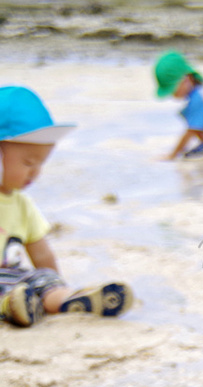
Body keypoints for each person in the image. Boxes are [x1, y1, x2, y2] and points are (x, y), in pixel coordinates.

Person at [0, 86, 134, 327]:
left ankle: (67, 300)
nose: (35, 172)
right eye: (28, 162)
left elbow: (41, 253)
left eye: (41, 164)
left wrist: (55, 282)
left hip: (16, 279)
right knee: (13, 291)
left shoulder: (22, 204)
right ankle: (13, 306)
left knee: (41, 278)